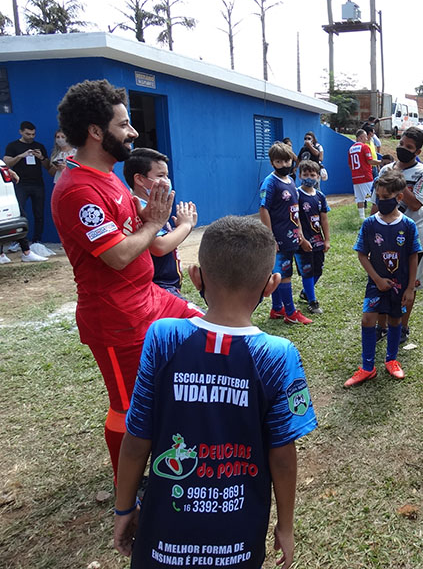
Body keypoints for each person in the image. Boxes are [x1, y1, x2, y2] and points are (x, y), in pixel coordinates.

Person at [113, 215, 317, 569]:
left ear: (195, 277)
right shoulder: (277, 354)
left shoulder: (163, 337)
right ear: (272, 285)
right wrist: (285, 526)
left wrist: (123, 508)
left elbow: (136, 438)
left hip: (163, 533)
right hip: (238, 536)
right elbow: (283, 455)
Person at [52, 79, 203, 481]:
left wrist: (157, 222)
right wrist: (153, 222)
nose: (133, 132)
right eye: (123, 125)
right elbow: (118, 255)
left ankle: (178, 431)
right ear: (95, 131)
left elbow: (151, 243)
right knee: (127, 406)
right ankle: (130, 488)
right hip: (116, 318)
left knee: (207, 330)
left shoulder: (108, 176)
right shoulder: (77, 190)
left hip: (150, 297)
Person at [345, 170, 421, 388]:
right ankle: (367, 367)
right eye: (378, 196)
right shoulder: (369, 224)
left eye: (386, 197)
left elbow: (413, 256)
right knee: (367, 320)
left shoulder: (408, 225)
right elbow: (362, 254)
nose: (381, 201)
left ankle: (391, 360)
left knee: (395, 320)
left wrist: (410, 288)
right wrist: (377, 279)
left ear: (399, 197)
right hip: (375, 284)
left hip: (400, 286)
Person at [371, 127, 423, 344]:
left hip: (412, 238)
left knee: (409, 284)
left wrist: (398, 181)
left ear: (418, 151)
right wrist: (371, 229)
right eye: (401, 144)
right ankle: (381, 326)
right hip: (383, 238)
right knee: (382, 281)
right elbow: (376, 202)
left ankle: (402, 327)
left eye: (409, 147)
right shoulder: (385, 170)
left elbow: (415, 204)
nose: (403, 149)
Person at [123, 148, 197, 297]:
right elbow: (159, 247)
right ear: (139, 179)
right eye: (160, 176)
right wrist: (185, 225)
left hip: (166, 285)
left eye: (167, 175)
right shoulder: (140, 208)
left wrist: (180, 229)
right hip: (158, 287)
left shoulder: (153, 205)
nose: (167, 181)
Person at [259, 141, 313, 325]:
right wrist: (270, 237)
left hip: (292, 236)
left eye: (287, 161)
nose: (283, 165)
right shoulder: (270, 183)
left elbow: (294, 211)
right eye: (278, 162)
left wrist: (301, 234)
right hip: (279, 237)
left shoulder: (290, 181)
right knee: (284, 274)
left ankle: (277, 308)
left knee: (279, 272)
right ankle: (290, 313)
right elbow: (264, 209)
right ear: (272, 163)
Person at [4, 121, 52, 257]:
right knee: (19, 213)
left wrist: (41, 157)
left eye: (33, 134)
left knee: (39, 213)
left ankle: (37, 241)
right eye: (28, 134)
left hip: (38, 184)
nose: (31, 137)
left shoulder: (39, 146)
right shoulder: (13, 146)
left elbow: (48, 166)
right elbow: (6, 163)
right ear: (21, 132)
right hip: (21, 184)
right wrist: (21, 156)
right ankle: (17, 241)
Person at [295, 160, 330, 314]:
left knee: (318, 271)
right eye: (305, 174)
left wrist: (326, 239)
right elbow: (295, 218)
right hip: (303, 242)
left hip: (318, 241)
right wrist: (302, 239)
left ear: (318, 177)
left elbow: (324, 219)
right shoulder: (296, 195)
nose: (309, 177)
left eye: (312, 175)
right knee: (307, 271)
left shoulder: (320, 196)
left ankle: (305, 292)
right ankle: (312, 302)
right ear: (300, 176)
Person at [348, 129, 381, 220]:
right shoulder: (364, 147)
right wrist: (381, 162)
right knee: (374, 196)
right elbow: (370, 161)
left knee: (359, 198)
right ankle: (376, 216)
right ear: (361, 137)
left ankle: (362, 218)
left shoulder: (351, 149)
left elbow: (350, 165)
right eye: (365, 137)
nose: (367, 139)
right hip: (365, 176)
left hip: (355, 177)